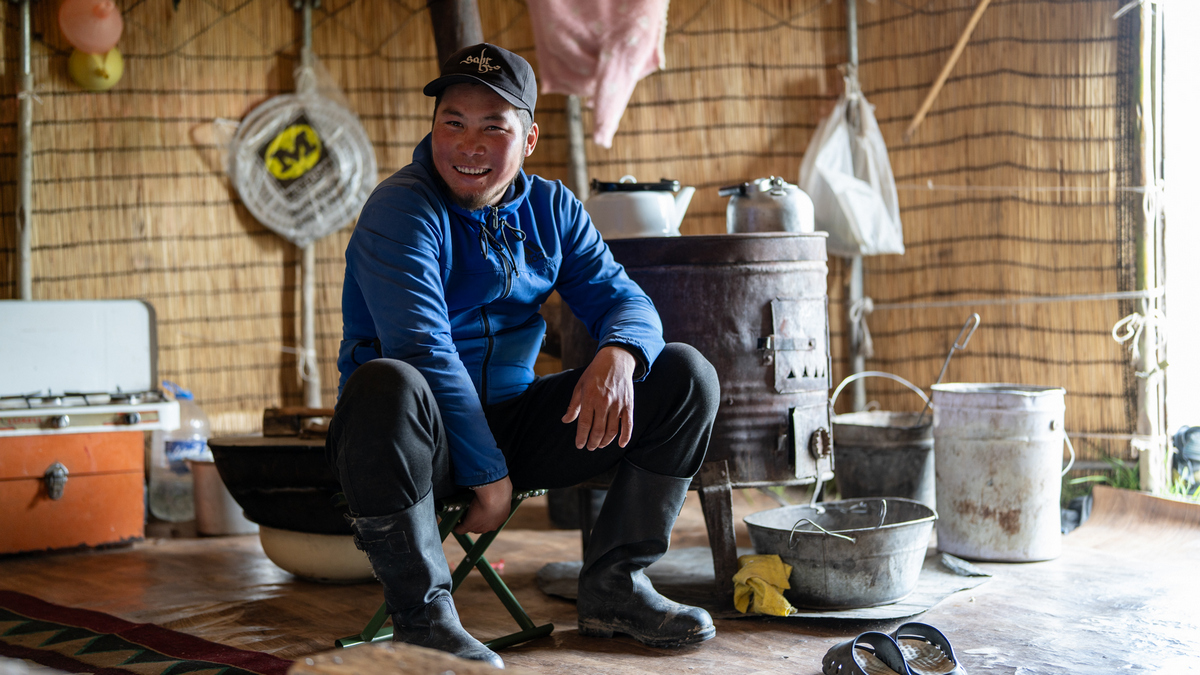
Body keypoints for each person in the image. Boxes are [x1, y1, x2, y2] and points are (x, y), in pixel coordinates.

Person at [326, 43, 720, 668]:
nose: (469, 145)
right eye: (452, 122)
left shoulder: (553, 210)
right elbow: (423, 348)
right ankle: (422, 619)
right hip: (415, 444)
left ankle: (615, 585)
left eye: (493, 127)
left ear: (529, 138)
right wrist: (486, 474)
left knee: (683, 375)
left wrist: (619, 353)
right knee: (387, 383)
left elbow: (629, 302)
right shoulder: (400, 209)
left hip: (514, 422)